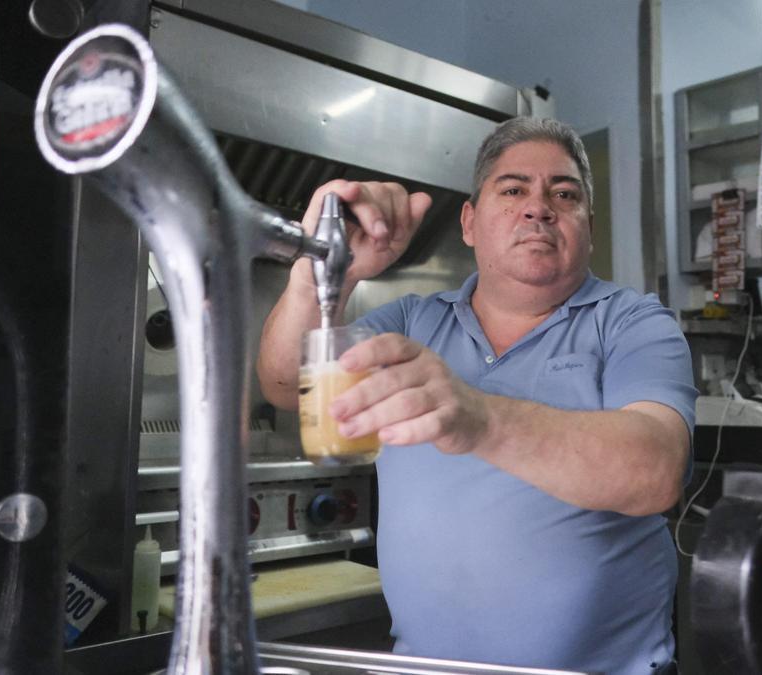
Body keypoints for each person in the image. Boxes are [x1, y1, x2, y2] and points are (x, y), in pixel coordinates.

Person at [257, 117, 696, 674]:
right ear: (469, 222)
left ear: (588, 224)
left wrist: (479, 418)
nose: (539, 208)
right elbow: (282, 383)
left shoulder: (632, 322)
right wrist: (323, 271)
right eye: (512, 190)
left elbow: (654, 470)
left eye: (564, 194)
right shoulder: (411, 322)